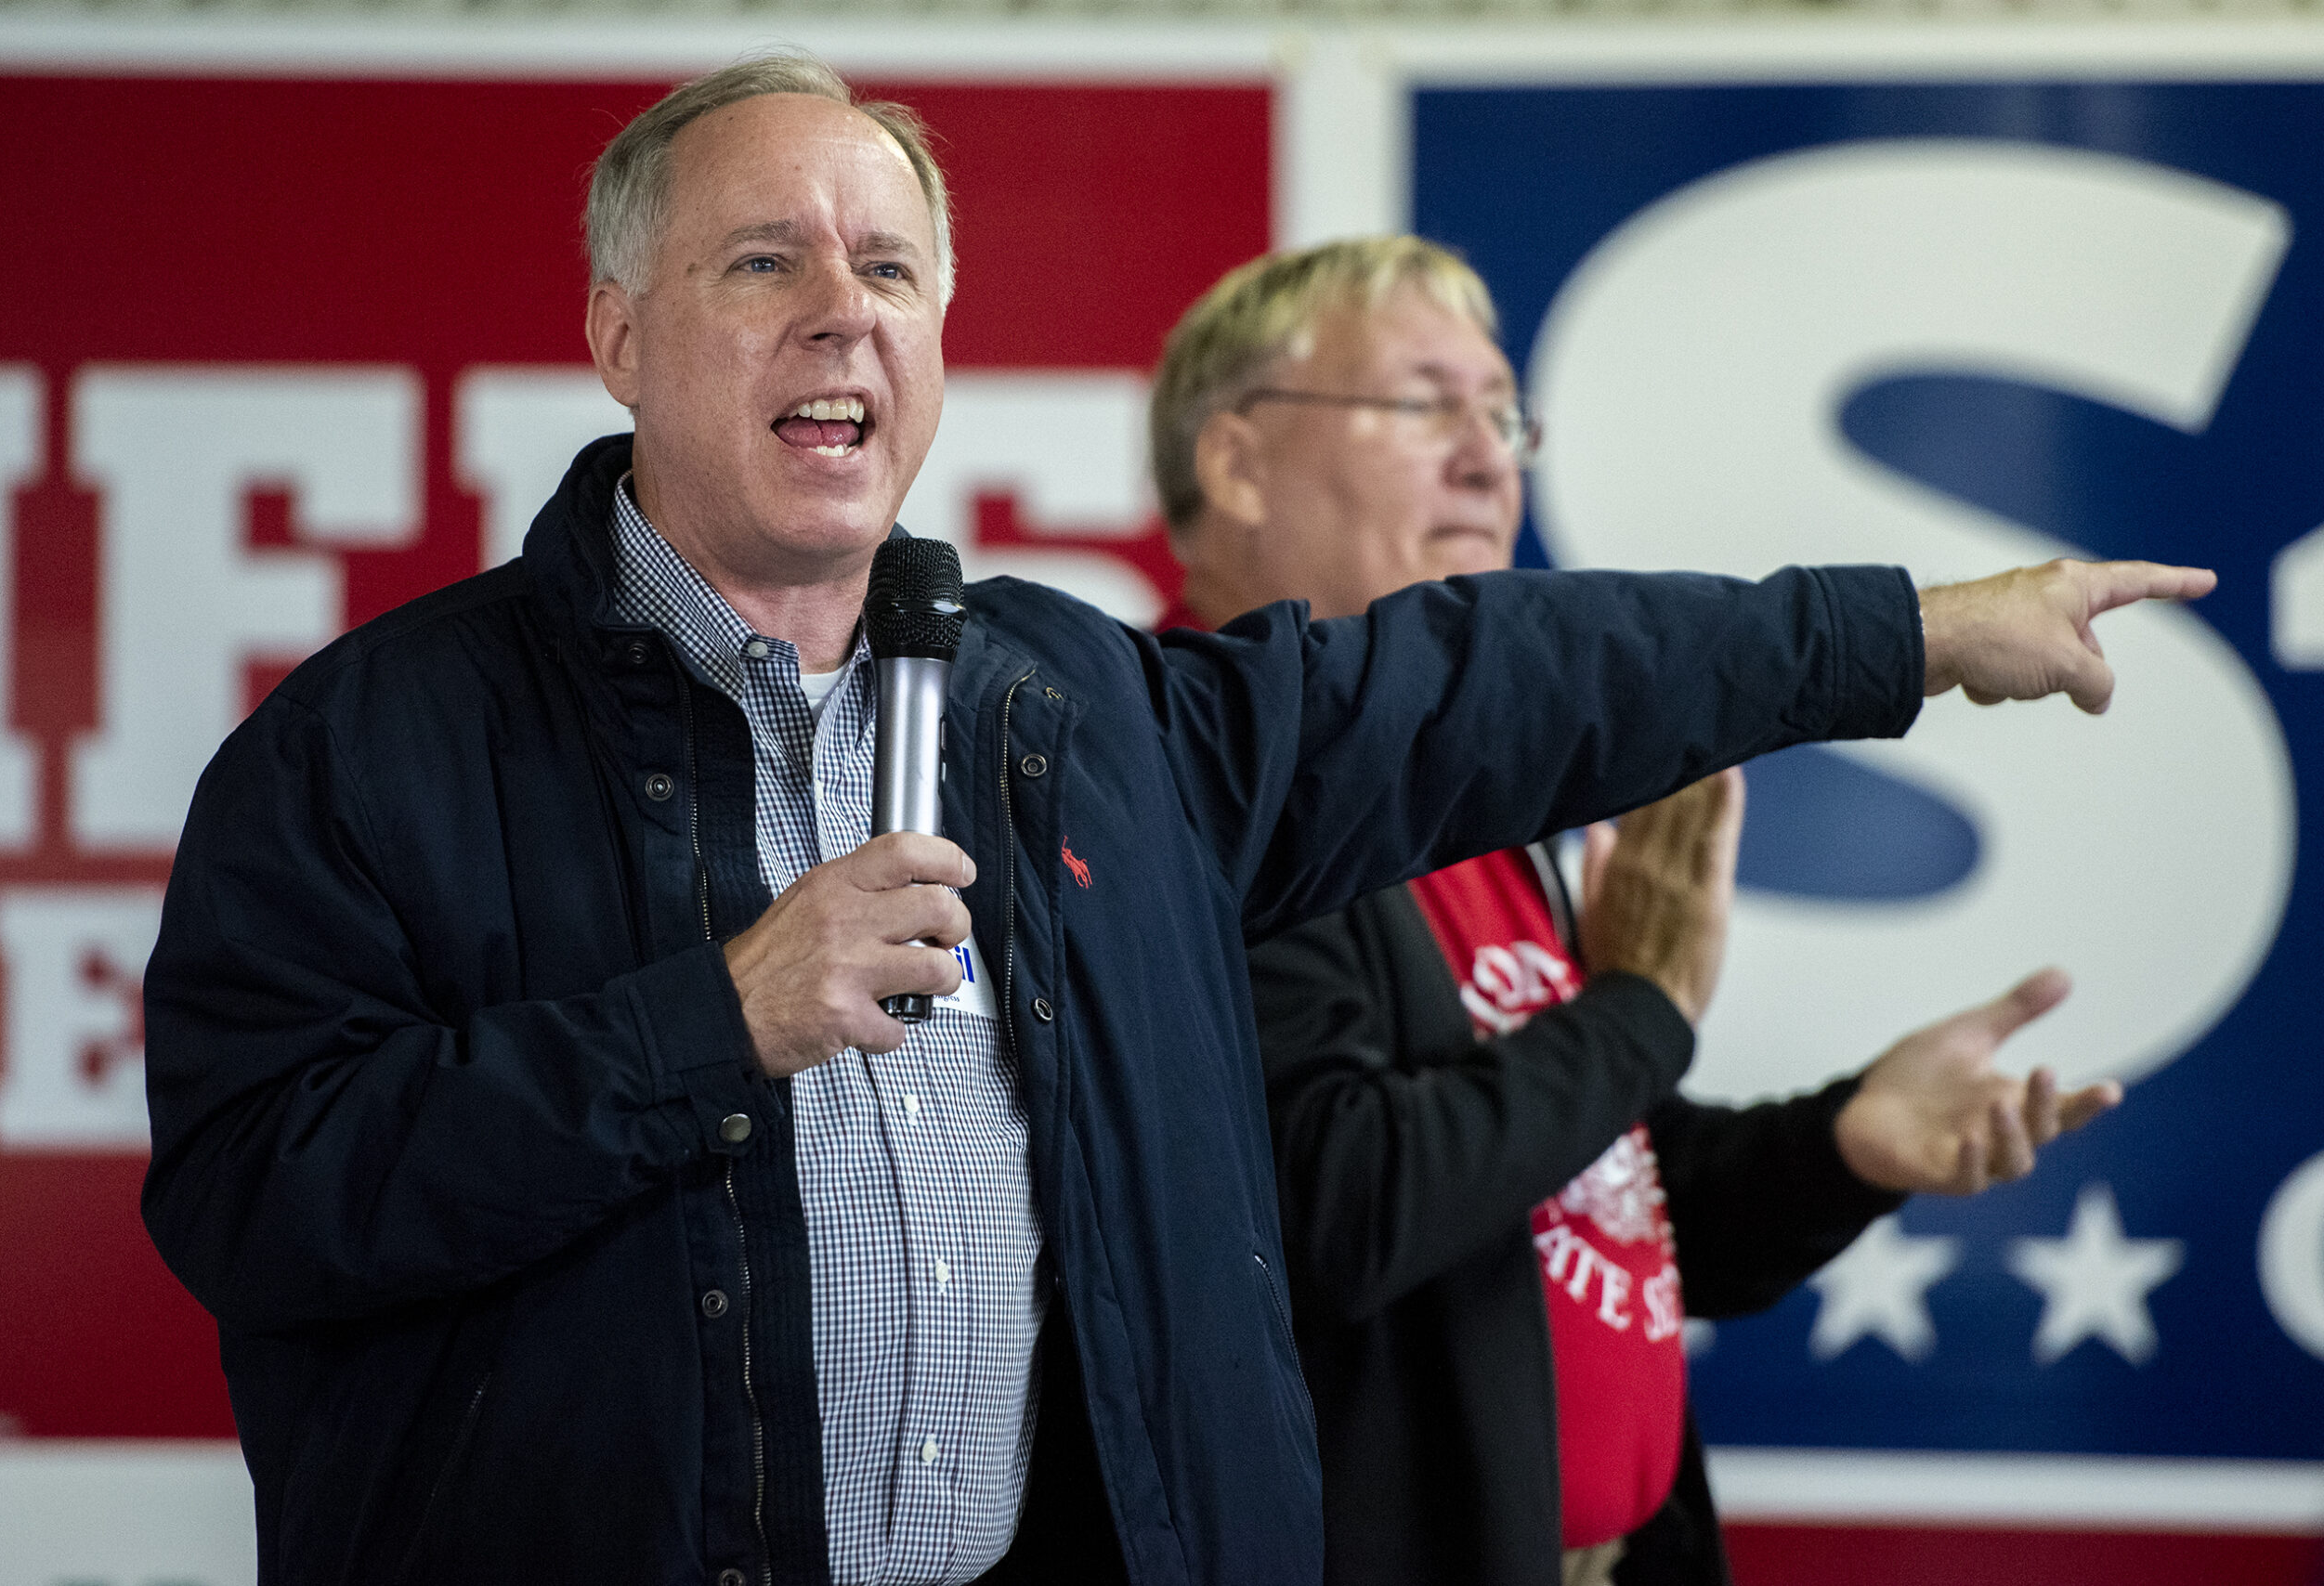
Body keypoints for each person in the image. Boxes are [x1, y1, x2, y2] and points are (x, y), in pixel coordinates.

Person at [140, 59, 2203, 1586]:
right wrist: (712, 1019)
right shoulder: (370, 747)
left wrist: (1907, 632)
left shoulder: (1074, 704)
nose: (838, 311)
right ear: (615, 335)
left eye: (887, 267)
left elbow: (1497, 676)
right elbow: (255, 1201)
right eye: (759, 262)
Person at [1152, 234, 2134, 1586]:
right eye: (1425, 403)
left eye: (1503, 415)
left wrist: (1844, 1145)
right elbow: (1339, 1211)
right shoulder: (1183, 795)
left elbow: (1587, 1192)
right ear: (1239, 459)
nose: (1492, 458)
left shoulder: (1467, 806)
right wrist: (1640, 1012)